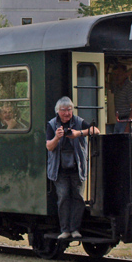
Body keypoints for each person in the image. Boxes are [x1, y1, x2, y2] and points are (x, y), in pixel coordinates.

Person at [45, 97, 99, 240]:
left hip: (77, 168)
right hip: (60, 170)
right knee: (63, 199)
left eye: (69, 109)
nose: (67, 113)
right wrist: (57, 138)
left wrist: (78, 133)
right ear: (58, 111)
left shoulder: (79, 121)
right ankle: (65, 230)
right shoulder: (51, 124)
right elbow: (49, 146)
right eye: (64, 110)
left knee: (78, 198)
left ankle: (75, 229)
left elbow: (96, 130)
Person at [110, 63, 132, 133]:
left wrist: (128, 126)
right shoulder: (116, 87)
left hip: (126, 121)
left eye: (118, 75)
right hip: (119, 121)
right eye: (114, 75)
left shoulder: (129, 87)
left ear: (124, 74)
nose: (116, 77)